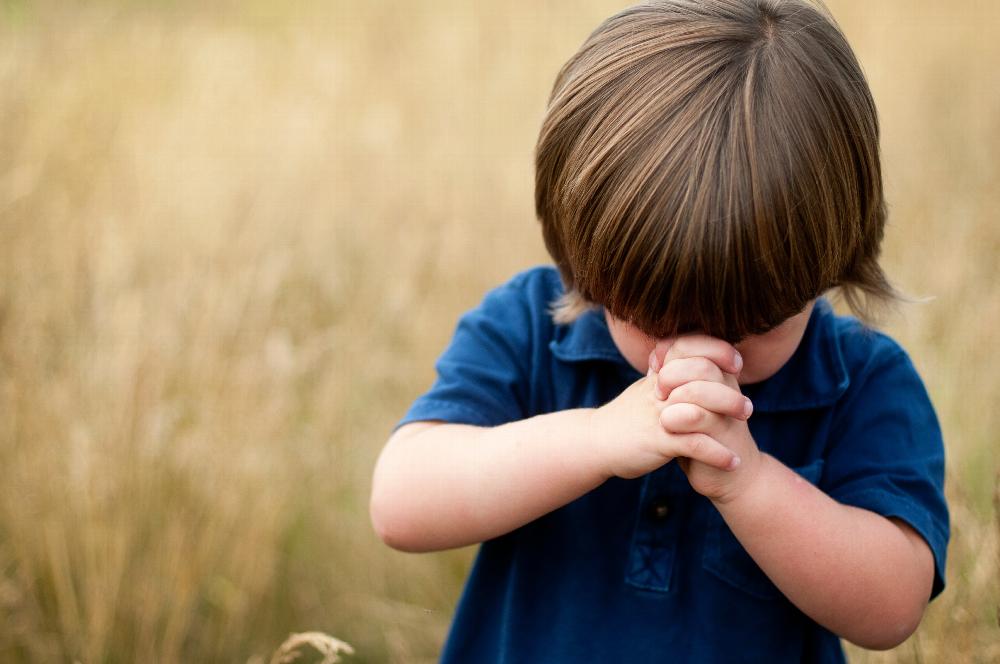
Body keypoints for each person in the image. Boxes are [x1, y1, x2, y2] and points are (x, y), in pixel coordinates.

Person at [370, 1, 950, 661]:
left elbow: (891, 608)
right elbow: (401, 502)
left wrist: (749, 482)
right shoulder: (530, 327)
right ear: (585, 261)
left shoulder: (860, 383)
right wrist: (596, 439)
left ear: (829, 262)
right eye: (649, 319)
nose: (700, 353)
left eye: (752, 327)